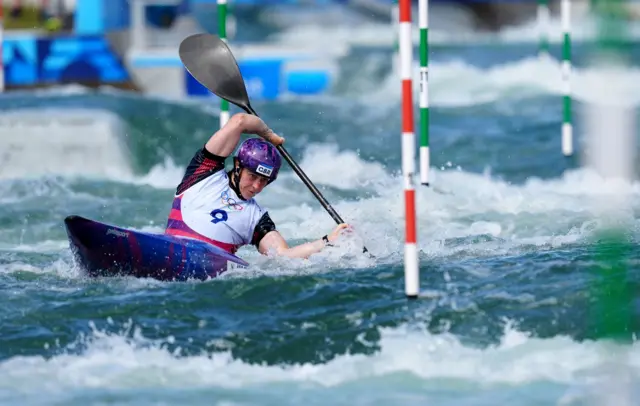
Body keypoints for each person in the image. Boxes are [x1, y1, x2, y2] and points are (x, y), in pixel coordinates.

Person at [165, 113, 349, 258]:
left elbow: (283, 257)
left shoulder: (257, 219)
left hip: (207, 268)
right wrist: (270, 135)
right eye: (252, 176)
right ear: (238, 166)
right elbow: (240, 121)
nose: (256, 186)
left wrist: (328, 241)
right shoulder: (204, 172)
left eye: (263, 181)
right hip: (169, 249)